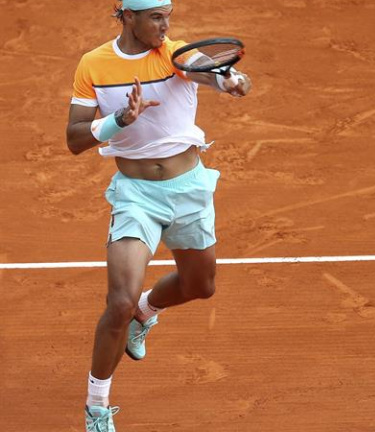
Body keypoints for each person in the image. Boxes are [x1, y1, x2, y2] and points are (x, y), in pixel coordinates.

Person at [66, 1, 251, 430]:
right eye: (156, 17)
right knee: (118, 302)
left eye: (168, 15)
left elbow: (218, 75)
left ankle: (147, 310)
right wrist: (118, 119)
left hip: (189, 191)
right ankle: (97, 408)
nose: (165, 25)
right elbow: (74, 139)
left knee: (200, 286)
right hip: (135, 197)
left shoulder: (177, 54)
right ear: (128, 16)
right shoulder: (93, 64)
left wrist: (234, 82)